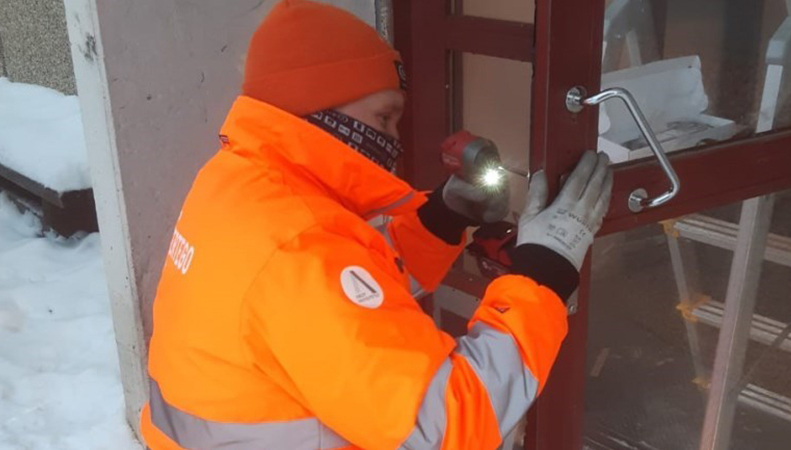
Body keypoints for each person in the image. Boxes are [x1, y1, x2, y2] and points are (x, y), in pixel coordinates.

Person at [140, 1, 613, 449]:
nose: (390, 139)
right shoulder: (299, 246)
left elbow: (335, 301)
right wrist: (543, 274)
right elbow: (448, 426)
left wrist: (443, 219)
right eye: (382, 117)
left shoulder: (239, 183)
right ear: (315, 102)